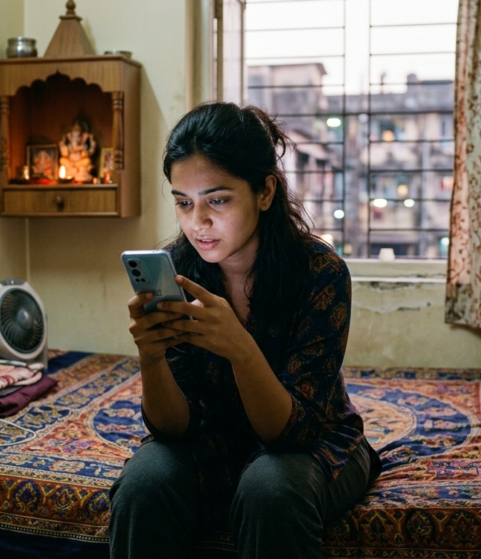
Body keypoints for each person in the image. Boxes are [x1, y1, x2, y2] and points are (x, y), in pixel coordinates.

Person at [109, 102, 381, 559]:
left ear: (265, 192)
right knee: (144, 482)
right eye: (183, 202)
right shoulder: (178, 270)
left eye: (217, 199)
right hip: (209, 441)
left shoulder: (320, 273)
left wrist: (240, 347)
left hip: (312, 442)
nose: (198, 222)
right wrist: (151, 358)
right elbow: (172, 428)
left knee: (270, 490)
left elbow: (290, 435)